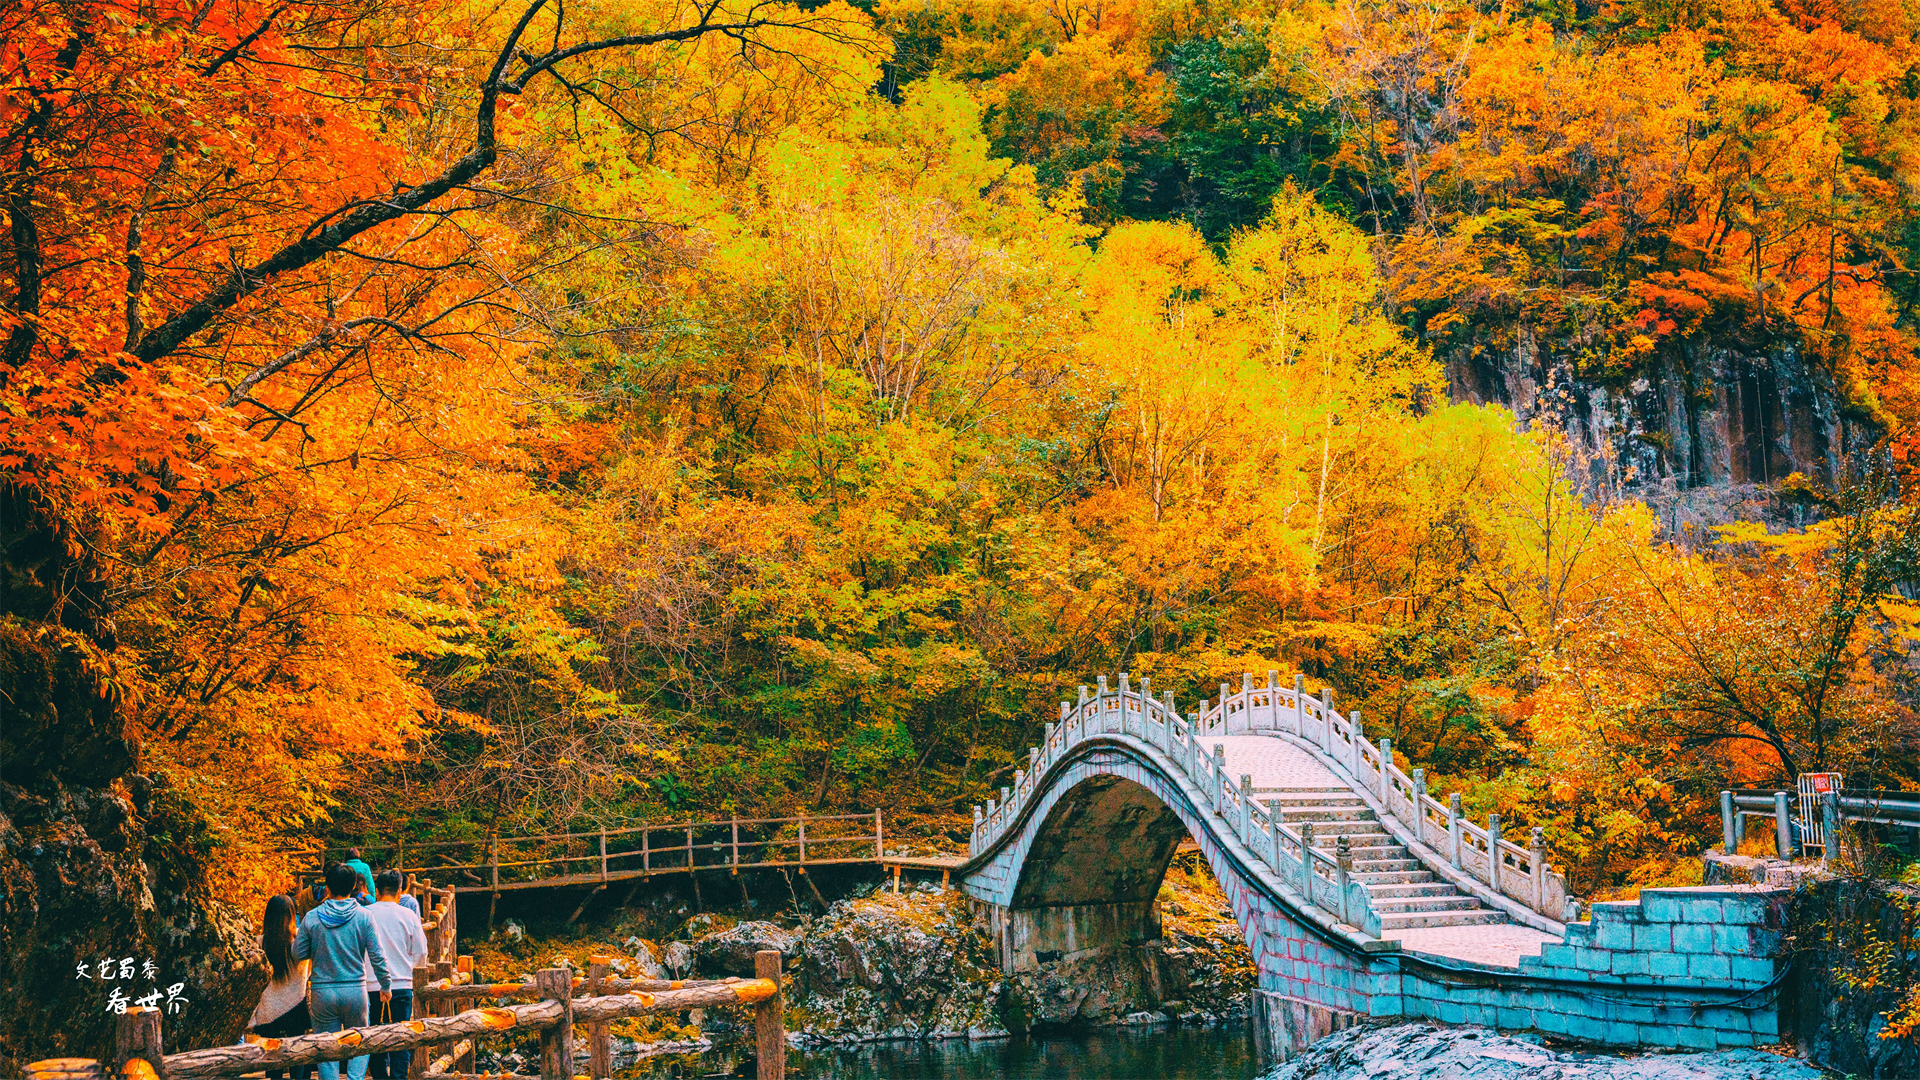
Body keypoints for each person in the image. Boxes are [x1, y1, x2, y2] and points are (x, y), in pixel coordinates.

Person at [296, 862, 393, 1080]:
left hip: (323, 991)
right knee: (360, 1041)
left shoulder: (312, 917)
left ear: (327, 888)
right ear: (353, 887)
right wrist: (385, 985)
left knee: (326, 1049)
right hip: (355, 990)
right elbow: (377, 955)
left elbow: (298, 952)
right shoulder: (364, 916)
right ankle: (355, 1078)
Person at [363, 869, 429, 1079]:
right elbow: (421, 951)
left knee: (374, 1039)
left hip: (370, 985)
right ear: (400, 890)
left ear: (377, 889)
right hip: (402, 984)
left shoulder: (366, 913)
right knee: (401, 1040)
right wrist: (409, 969)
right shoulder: (408, 915)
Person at [247, 894, 312, 1080]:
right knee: (297, 1055)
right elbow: (308, 972)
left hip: (269, 1010)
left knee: (273, 1061)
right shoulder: (300, 940)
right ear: (293, 914)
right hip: (296, 1006)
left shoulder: (259, 942)